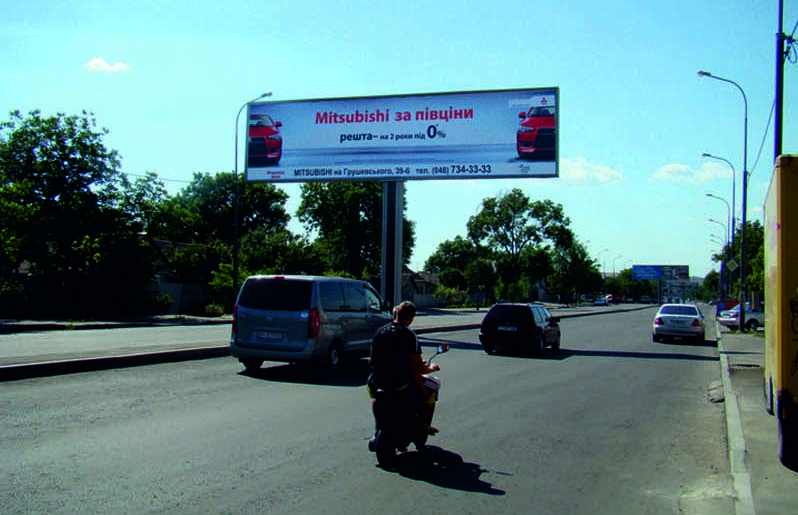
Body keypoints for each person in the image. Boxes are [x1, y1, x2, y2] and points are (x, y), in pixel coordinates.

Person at [368, 301, 440, 436]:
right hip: (400, 383)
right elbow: (417, 369)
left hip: (378, 382)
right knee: (434, 386)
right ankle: (422, 425)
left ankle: (378, 426)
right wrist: (431, 370)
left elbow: (371, 363)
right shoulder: (409, 335)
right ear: (411, 317)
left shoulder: (380, 332)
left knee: (376, 397)